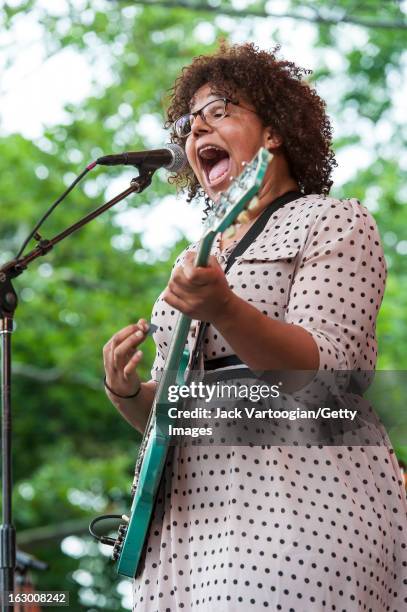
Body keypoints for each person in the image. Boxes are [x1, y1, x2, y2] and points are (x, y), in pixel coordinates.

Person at [103, 43, 406, 611]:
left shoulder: (331, 219)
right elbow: (188, 414)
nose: (197, 131)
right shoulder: (196, 255)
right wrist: (126, 392)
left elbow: (324, 379)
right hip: (189, 533)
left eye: (219, 111)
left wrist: (225, 310)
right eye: (189, 125)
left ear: (273, 132)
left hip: (298, 513)